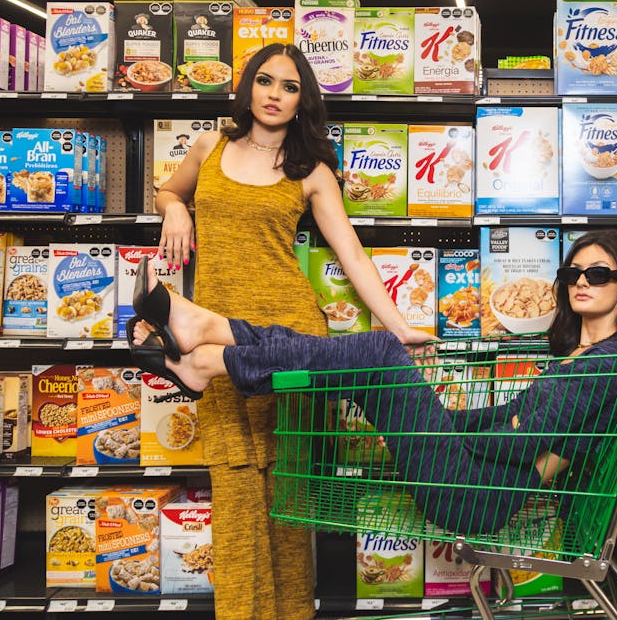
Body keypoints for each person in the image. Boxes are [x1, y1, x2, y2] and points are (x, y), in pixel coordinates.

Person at [153, 42, 430, 620]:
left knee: (288, 501)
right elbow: (170, 189)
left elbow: (351, 255)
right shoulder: (209, 146)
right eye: (266, 81)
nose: (275, 94)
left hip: (290, 336)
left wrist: (398, 327)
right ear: (248, 87)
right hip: (215, 338)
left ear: (303, 101)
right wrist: (175, 207)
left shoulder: (311, 170)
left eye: (290, 86)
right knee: (235, 495)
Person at [129, 229, 617, 534]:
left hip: (480, 496)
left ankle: (208, 345)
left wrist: (448, 430)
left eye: (599, 274)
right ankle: (212, 340)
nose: (582, 281)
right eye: (573, 273)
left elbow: (519, 441)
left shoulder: (612, 360)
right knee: (360, 356)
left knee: (377, 350)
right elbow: (505, 421)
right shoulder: (579, 353)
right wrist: (445, 420)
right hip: (475, 477)